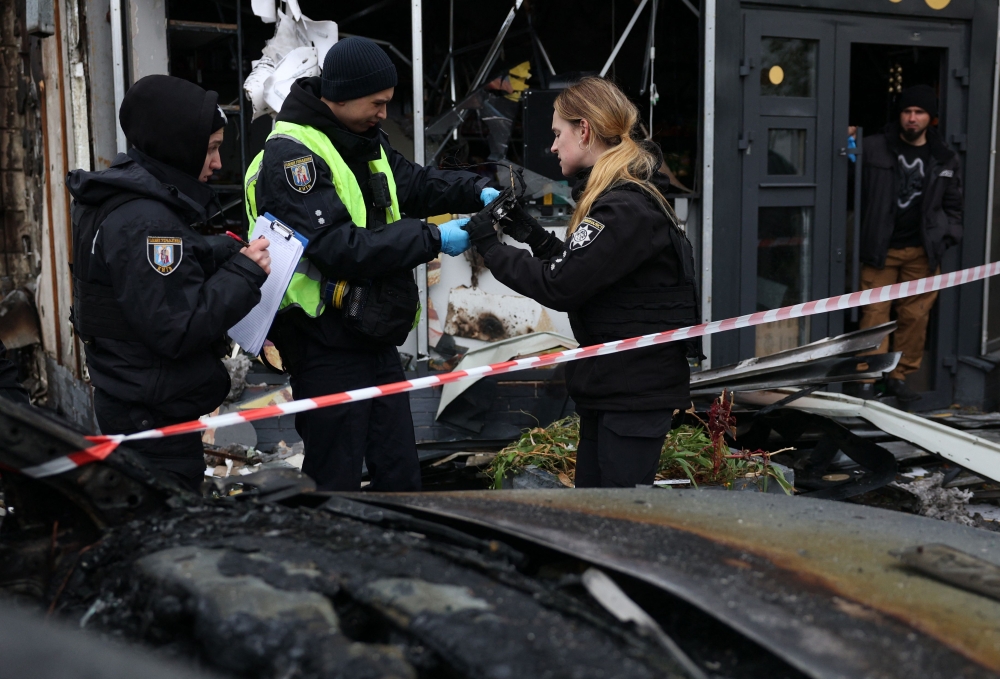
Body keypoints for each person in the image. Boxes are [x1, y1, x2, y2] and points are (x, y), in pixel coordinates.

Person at [245, 36, 495, 492]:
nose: (384, 113)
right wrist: (434, 237)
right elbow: (337, 246)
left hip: (371, 334)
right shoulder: (293, 155)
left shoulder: (361, 139)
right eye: (376, 103)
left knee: (398, 467)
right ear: (339, 96)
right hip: (324, 340)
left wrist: (474, 188)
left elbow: (415, 184)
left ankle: (401, 554)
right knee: (334, 473)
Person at [462, 77, 700, 488]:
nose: (552, 146)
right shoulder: (625, 200)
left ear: (584, 130)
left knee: (617, 523)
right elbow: (588, 271)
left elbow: (562, 285)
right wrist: (530, 233)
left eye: (558, 134)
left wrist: (490, 246)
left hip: (632, 394)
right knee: (594, 509)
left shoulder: (624, 208)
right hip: (614, 389)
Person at [67, 75, 272, 491]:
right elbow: (178, 326)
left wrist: (215, 250)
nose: (217, 163)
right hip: (151, 416)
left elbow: (140, 283)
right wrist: (246, 273)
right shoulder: (148, 222)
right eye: (211, 149)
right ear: (179, 144)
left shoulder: (119, 197)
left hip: (131, 400)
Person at [855, 84, 963, 403]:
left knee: (914, 317)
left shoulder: (944, 157)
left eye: (919, 113)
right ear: (899, 115)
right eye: (907, 111)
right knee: (874, 314)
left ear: (932, 119)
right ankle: (868, 376)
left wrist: (948, 235)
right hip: (880, 251)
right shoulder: (873, 147)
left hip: (922, 252)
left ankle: (899, 376)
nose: (912, 118)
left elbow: (954, 204)